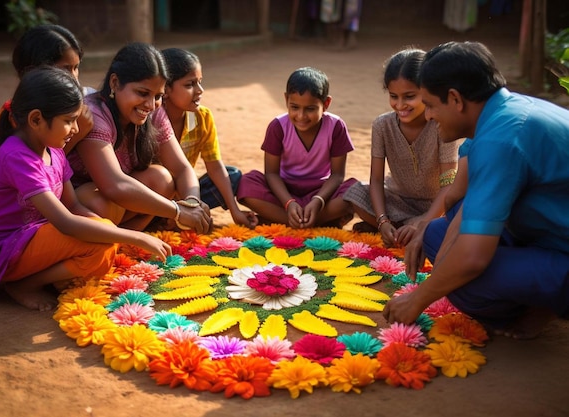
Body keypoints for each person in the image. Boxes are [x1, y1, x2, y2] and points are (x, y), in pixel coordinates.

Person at [383, 41, 569, 340]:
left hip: (561, 249)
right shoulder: (505, 112)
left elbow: (471, 259)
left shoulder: (502, 139)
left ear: (455, 99)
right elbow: (466, 199)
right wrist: (440, 262)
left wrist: (418, 298)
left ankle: (535, 308)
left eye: (430, 105)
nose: (428, 116)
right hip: (549, 234)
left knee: (464, 283)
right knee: (434, 236)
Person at [0, 67, 171, 312]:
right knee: (100, 240)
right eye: (69, 121)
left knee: (104, 244)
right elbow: (66, 222)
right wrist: (134, 236)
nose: (75, 129)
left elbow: (74, 206)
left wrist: (108, 230)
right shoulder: (17, 156)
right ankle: (23, 284)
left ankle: (38, 277)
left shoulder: (54, 150)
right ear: (36, 119)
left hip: (29, 239)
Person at [66, 42, 212, 234]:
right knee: (98, 202)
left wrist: (192, 203)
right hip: (80, 207)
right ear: (115, 83)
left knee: (161, 179)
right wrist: (177, 211)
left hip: (122, 203)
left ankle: (131, 236)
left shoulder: (154, 112)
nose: (151, 104)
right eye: (142, 93)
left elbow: (182, 168)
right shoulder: (94, 114)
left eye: (158, 96)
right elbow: (114, 186)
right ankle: (119, 238)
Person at [0, 24, 94, 211]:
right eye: (65, 69)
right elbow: (41, 165)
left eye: (76, 68)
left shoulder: (64, 108)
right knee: (93, 202)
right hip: (3, 209)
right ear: (34, 71)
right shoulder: (22, 117)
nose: (74, 79)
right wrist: (79, 135)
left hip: (39, 192)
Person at [343, 48, 461, 248]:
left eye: (409, 96)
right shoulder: (382, 125)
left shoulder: (442, 124)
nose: (399, 105)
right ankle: (399, 228)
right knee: (355, 192)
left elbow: (449, 184)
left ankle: (415, 228)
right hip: (397, 202)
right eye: (393, 96)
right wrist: (382, 220)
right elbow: (377, 179)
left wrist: (424, 221)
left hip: (436, 206)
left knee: (460, 212)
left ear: (428, 91)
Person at [237, 66, 356, 229]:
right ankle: (315, 221)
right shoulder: (278, 126)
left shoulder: (336, 126)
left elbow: (337, 175)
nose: (301, 116)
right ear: (286, 100)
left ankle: (283, 220)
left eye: (310, 109)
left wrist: (318, 201)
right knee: (247, 183)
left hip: (320, 191)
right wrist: (289, 203)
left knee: (356, 192)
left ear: (326, 103)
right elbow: (271, 173)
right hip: (284, 190)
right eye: (294, 107)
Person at [160, 47, 258, 229]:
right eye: (189, 85)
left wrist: (234, 210)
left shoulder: (202, 117)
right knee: (160, 178)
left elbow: (214, 166)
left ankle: (183, 215)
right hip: (157, 192)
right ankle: (166, 217)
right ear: (165, 89)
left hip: (187, 192)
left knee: (232, 175)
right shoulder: (152, 119)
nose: (200, 90)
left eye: (200, 82)